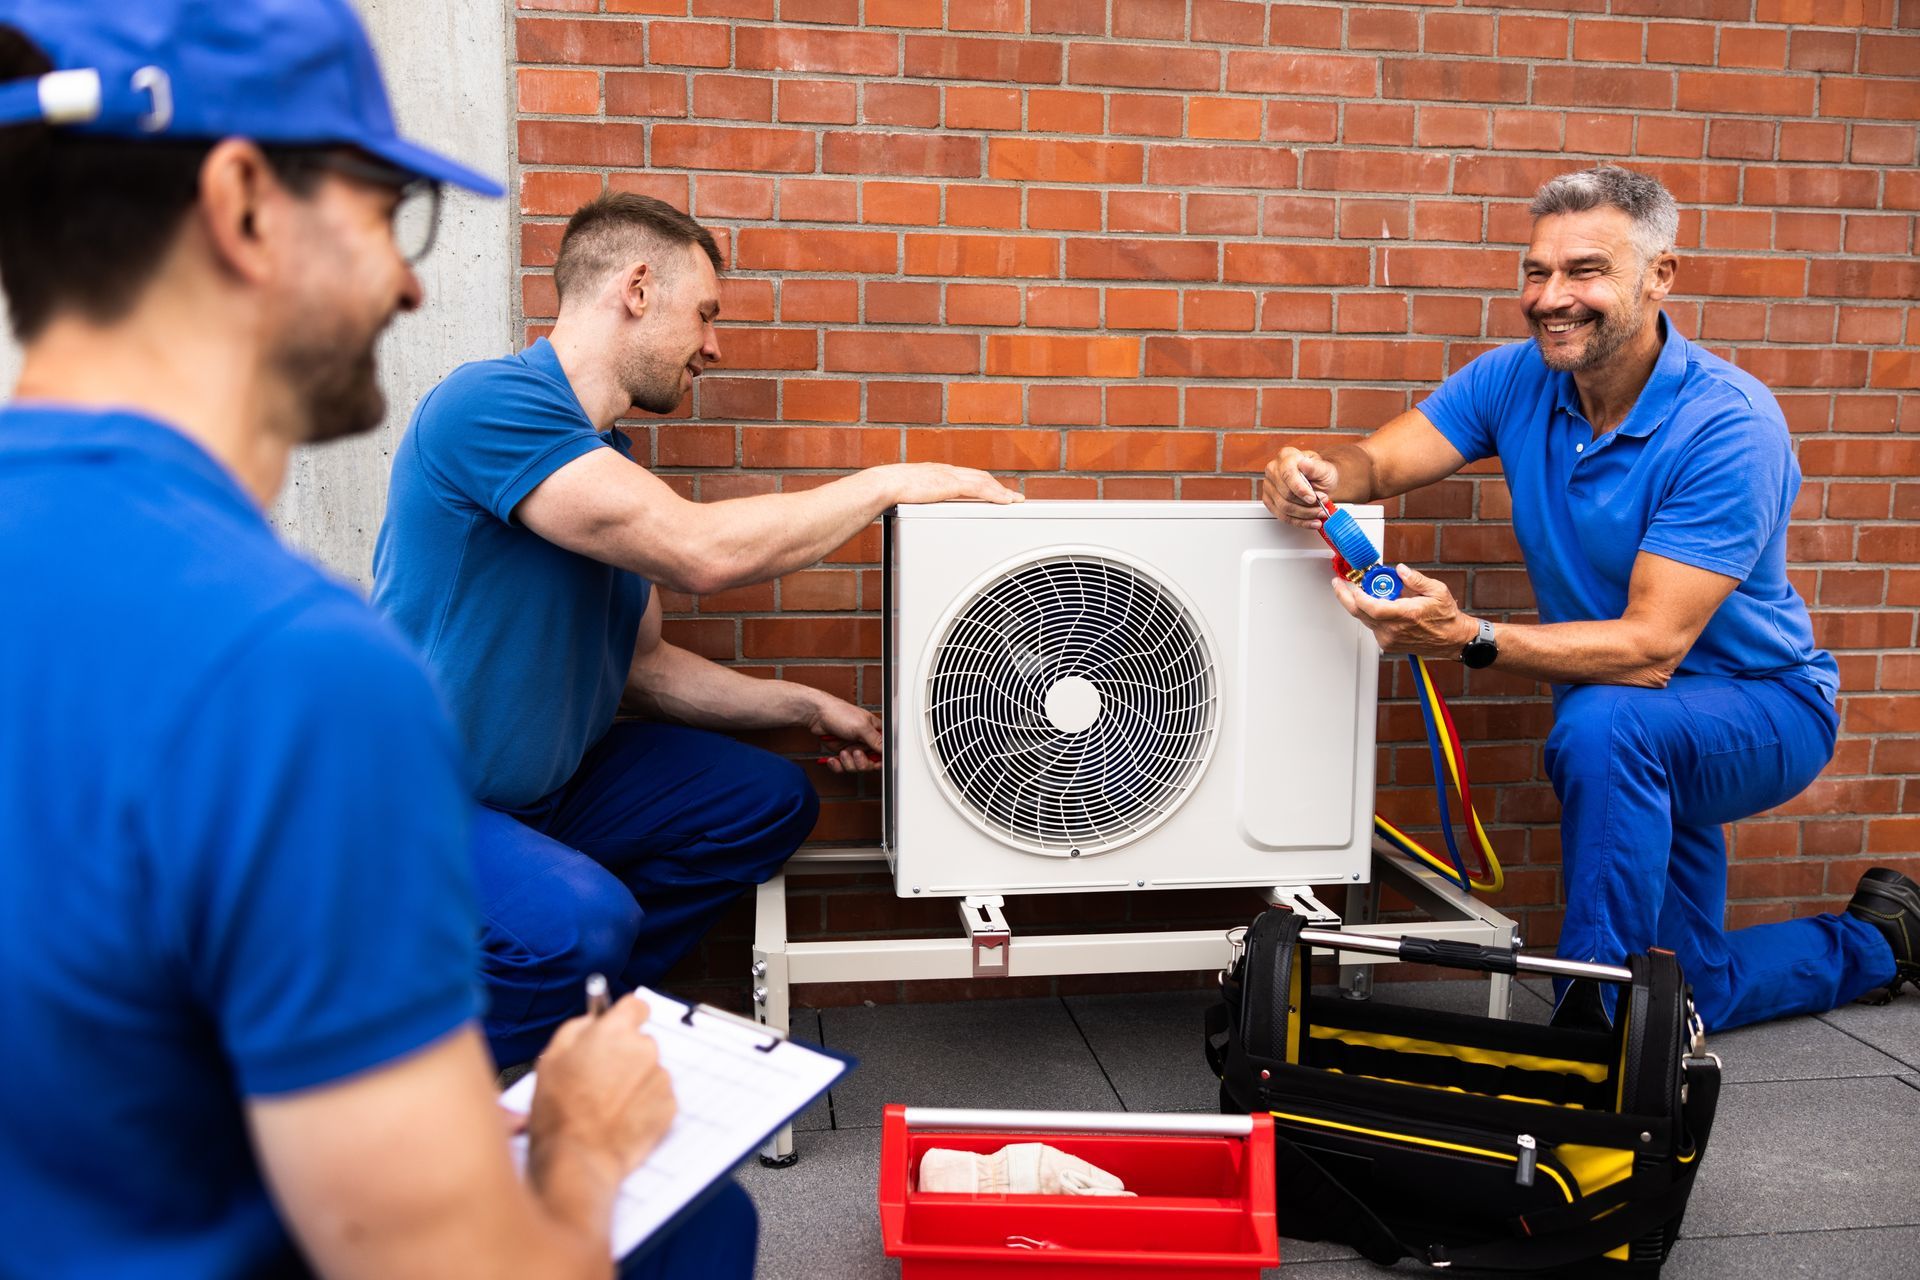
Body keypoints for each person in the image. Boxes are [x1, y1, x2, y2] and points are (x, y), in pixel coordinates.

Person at [0, 3, 753, 1277]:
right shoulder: (298, 674)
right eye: (385, 211)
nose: (410, 279)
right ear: (244, 204)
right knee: (701, 1222)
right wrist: (578, 1140)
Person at [1261, 164, 1918, 1032]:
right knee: (1685, 987)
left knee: (1605, 727)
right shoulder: (1515, 380)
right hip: (1635, 721)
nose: (1550, 297)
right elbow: (1377, 464)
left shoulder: (1728, 423)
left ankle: (1589, 1029)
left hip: (1763, 710)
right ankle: (1883, 945)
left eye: (1585, 272)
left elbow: (1651, 650)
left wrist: (1465, 635)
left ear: (1659, 276)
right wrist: (1309, 473)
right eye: (1537, 271)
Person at [372, 191, 1020, 1067]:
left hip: (554, 793)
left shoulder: (610, 463)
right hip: (419, 797)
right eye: (705, 315)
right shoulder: (491, 407)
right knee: (581, 921)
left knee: (768, 800)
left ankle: (586, 1019)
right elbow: (699, 551)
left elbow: (645, 669)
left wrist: (802, 702)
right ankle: (420, 1089)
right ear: (637, 288)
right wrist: (888, 483)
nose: (713, 346)